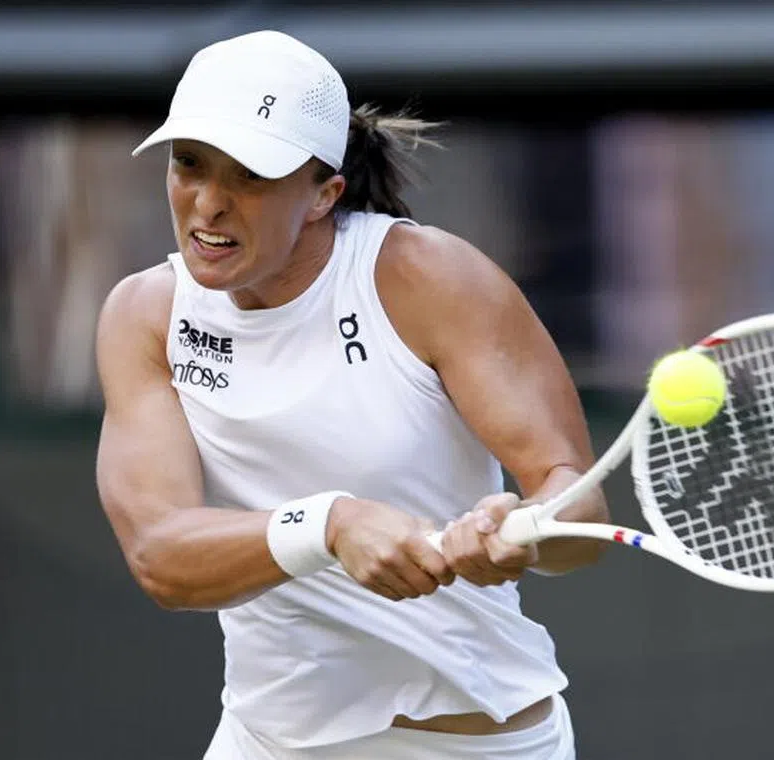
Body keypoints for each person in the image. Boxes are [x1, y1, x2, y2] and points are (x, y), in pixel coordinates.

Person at [94, 29, 609, 760]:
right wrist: (330, 524)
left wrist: (521, 530)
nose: (207, 204)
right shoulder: (145, 315)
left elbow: (577, 509)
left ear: (323, 194)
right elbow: (161, 556)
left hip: (474, 745)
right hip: (264, 741)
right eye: (189, 163)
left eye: (250, 175)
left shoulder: (428, 276)